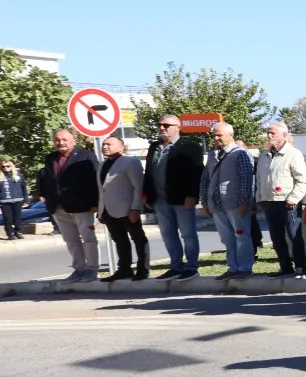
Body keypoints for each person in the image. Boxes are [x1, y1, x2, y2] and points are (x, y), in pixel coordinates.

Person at [143, 115, 203, 279]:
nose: (162, 128)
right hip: (160, 199)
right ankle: (176, 266)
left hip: (182, 199)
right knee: (168, 235)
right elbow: (148, 173)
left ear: (178, 127)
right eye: (160, 124)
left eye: (166, 125)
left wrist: (192, 195)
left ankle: (191, 267)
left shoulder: (190, 147)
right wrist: (147, 195)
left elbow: (196, 173)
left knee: (188, 234)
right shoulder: (154, 147)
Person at [36, 129, 100, 281]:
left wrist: (95, 203)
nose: (60, 142)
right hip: (58, 207)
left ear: (74, 141)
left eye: (64, 139)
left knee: (88, 238)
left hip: (82, 205)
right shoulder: (50, 158)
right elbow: (47, 178)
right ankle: (79, 269)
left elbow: (94, 181)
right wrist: (45, 195)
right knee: (71, 240)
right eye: (57, 140)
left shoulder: (86, 156)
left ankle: (92, 269)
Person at [199, 122, 257, 280]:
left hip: (235, 204)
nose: (216, 138)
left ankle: (244, 268)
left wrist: (244, 202)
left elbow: (247, 179)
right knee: (227, 239)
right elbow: (205, 178)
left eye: (219, 135)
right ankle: (233, 268)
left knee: (241, 236)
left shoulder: (241, 154)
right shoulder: (212, 155)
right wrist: (204, 201)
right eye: (214, 135)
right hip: (217, 205)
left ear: (231, 135)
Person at [255, 122, 306, 278]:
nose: (269, 135)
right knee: (276, 237)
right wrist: (260, 197)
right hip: (269, 202)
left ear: (284, 135)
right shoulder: (264, 155)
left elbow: (303, 180)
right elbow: (259, 180)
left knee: (294, 236)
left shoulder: (293, 154)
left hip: (288, 202)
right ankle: (285, 267)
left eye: (273, 133)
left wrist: (293, 198)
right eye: (268, 132)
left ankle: (300, 267)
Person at [97, 135, 149, 281]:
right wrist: (101, 211)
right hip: (108, 211)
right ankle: (124, 269)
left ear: (121, 147)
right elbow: (102, 189)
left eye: (110, 144)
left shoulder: (130, 162)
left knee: (138, 239)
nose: (105, 146)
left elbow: (138, 187)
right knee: (119, 240)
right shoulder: (102, 164)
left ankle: (142, 269)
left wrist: (136, 208)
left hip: (128, 209)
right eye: (104, 144)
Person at [0, 158, 26, 240]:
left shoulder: (19, 176)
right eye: (3, 167)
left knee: (17, 218)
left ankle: (18, 232)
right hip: (5, 201)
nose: (6, 168)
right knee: (8, 219)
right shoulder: (0, 177)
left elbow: (24, 188)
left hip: (18, 200)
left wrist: (26, 200)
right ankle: (10, 234)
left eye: (8, 166)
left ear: (12, 166)